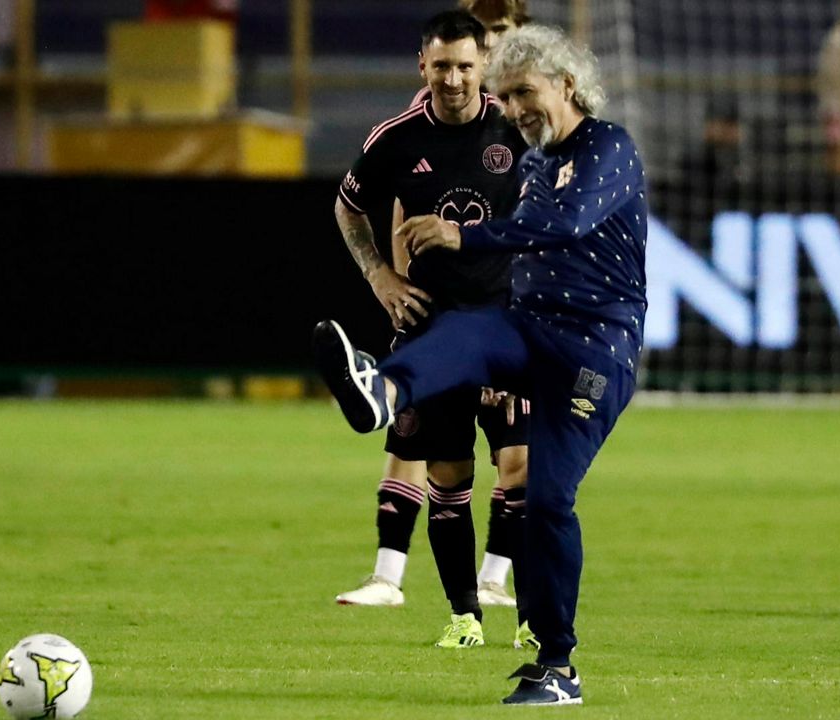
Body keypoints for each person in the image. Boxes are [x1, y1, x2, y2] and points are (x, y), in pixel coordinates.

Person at [315, 24, 647, 705]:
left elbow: (565, 223)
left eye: (524, 92)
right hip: (530, 329)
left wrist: (459, 234)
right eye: (508, 96)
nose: (515, 109)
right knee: (465, 330)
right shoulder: (532, 161)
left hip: (594, 351)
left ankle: (558, 666)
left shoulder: (608, 146)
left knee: (547, 500)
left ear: (567, 85)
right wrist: (395, 270)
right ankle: (383, 390)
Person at [331, 10, 533, 649]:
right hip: (433, 330)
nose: (453, 79)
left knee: (524, 469)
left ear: (484, 66)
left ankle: (532, 617)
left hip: (504, 328)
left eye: (465, 66)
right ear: (422, 65)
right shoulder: (395, 139)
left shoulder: (516, 129)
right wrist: (380, 278)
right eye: (441, 66)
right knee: (448, 477)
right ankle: (465, 617)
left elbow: (547, 222)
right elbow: (347, 208)